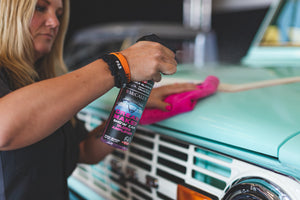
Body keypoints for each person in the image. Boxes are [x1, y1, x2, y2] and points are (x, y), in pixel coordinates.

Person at [0, 0, 197, 199]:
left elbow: (85, 151)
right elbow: (4, 127)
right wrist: (119, 65)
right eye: (40, 8)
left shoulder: (43, 80)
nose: (54, 22)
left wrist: (134, 105)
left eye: (59, 14)